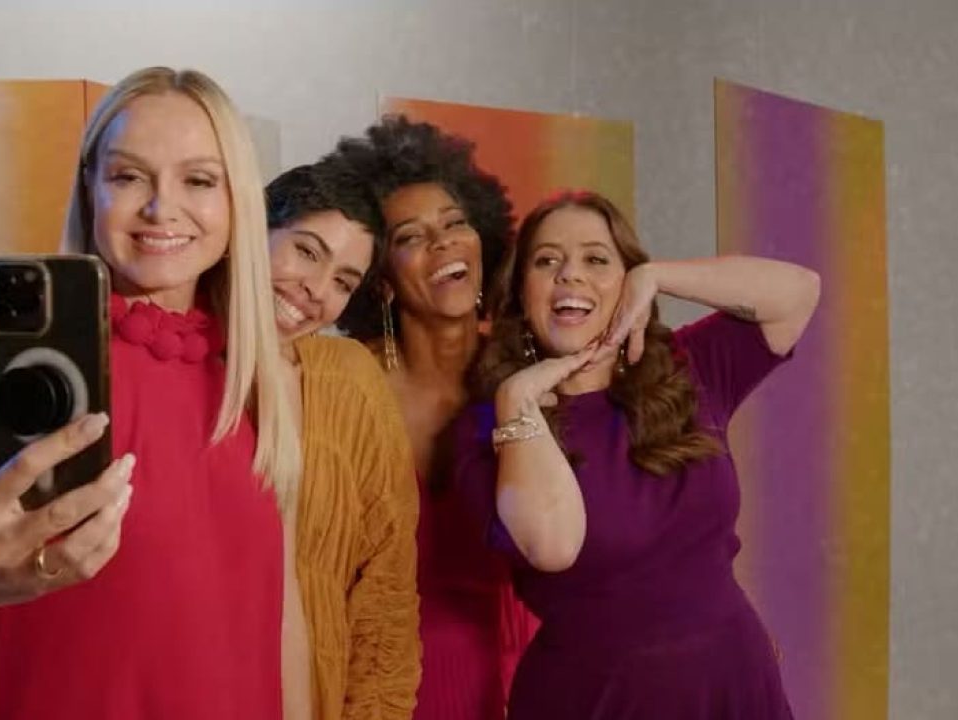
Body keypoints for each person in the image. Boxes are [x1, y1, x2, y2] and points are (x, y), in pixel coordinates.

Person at [0, 66, 301, 720]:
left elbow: (281, 607)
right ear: (90, 189)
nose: (161, 208)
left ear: (237, 199)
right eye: (128, 176)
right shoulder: (47, 371)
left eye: (198, 180)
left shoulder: (264, 375)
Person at [451, 190, 821, 719]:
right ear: (520, 293)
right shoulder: (488, 425)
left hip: (736, 685)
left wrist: (657, 275)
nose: (570, 274)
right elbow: (553, 546)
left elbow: (798, 292)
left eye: (597, 259)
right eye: (547, 261)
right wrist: (518, 400)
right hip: (598, 702)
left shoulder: (686, 367)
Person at [331, 117, 534, 720]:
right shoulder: (343, 387)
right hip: (388, 691)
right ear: (381, 281)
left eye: (455, 224)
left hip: (528, 681)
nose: (444, 243)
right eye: (411, 236)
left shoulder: (529, 377)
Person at [264, 162, 422, 719]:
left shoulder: (351, 380)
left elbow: (387, 589)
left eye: (343, 282)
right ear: (253, 228)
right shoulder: (169, 365)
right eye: (307, 251)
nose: (316, 291)